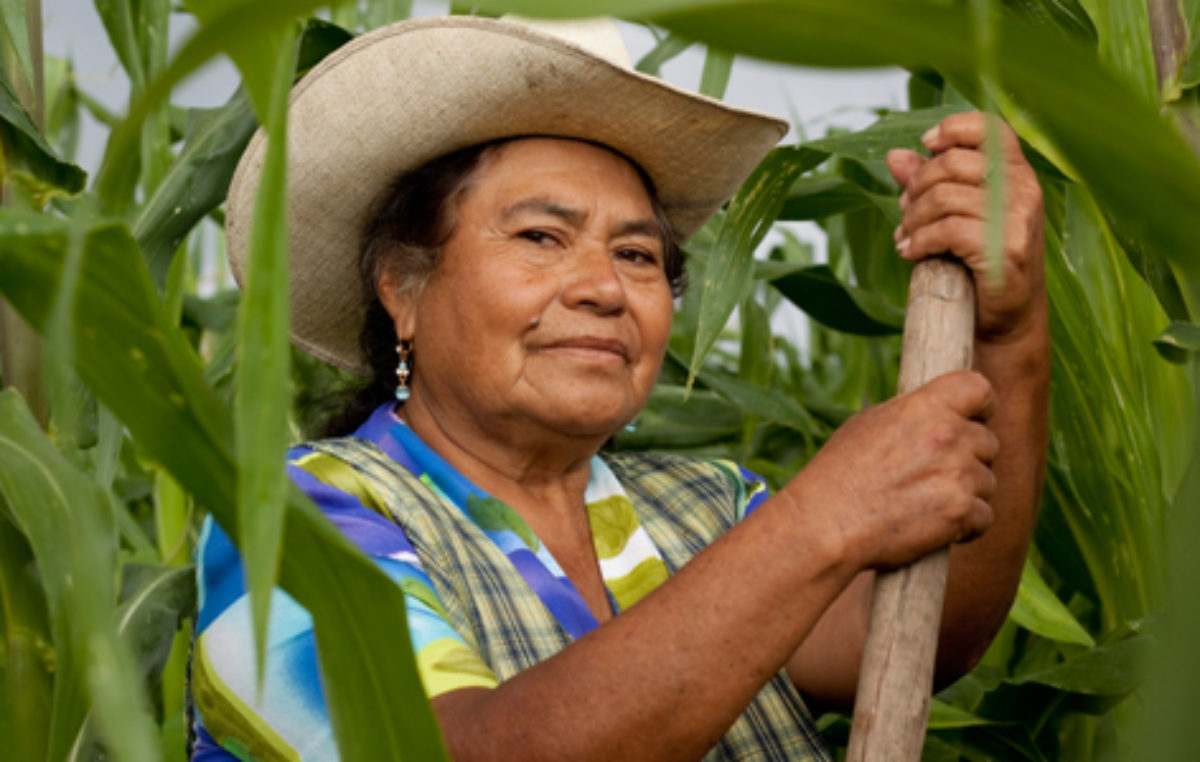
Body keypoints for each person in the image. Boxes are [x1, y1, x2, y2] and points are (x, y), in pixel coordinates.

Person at [190, 14, 1048, 762]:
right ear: (402, 289)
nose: (603, 286)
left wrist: (1008, 338)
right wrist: (823, 519)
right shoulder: (291, 524)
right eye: (540, 236)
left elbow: (912, 638)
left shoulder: (706, 510)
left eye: (637, 255)